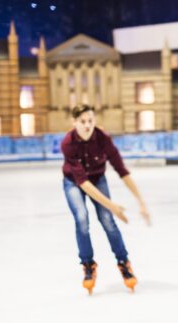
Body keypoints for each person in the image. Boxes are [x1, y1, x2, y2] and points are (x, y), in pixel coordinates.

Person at [61, 104, 150, 294]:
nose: (87, 125)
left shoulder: (103, 139)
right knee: (81, 218)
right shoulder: (68, 143)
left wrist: (141, 202)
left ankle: (123, 262)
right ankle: (88, 265)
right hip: (74, 183)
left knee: (107, 220)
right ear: (74, 122)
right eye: (82, 121)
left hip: (97, 178)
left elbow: (122, 170)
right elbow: (83, 183)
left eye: (90, 121)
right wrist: (113, 206)